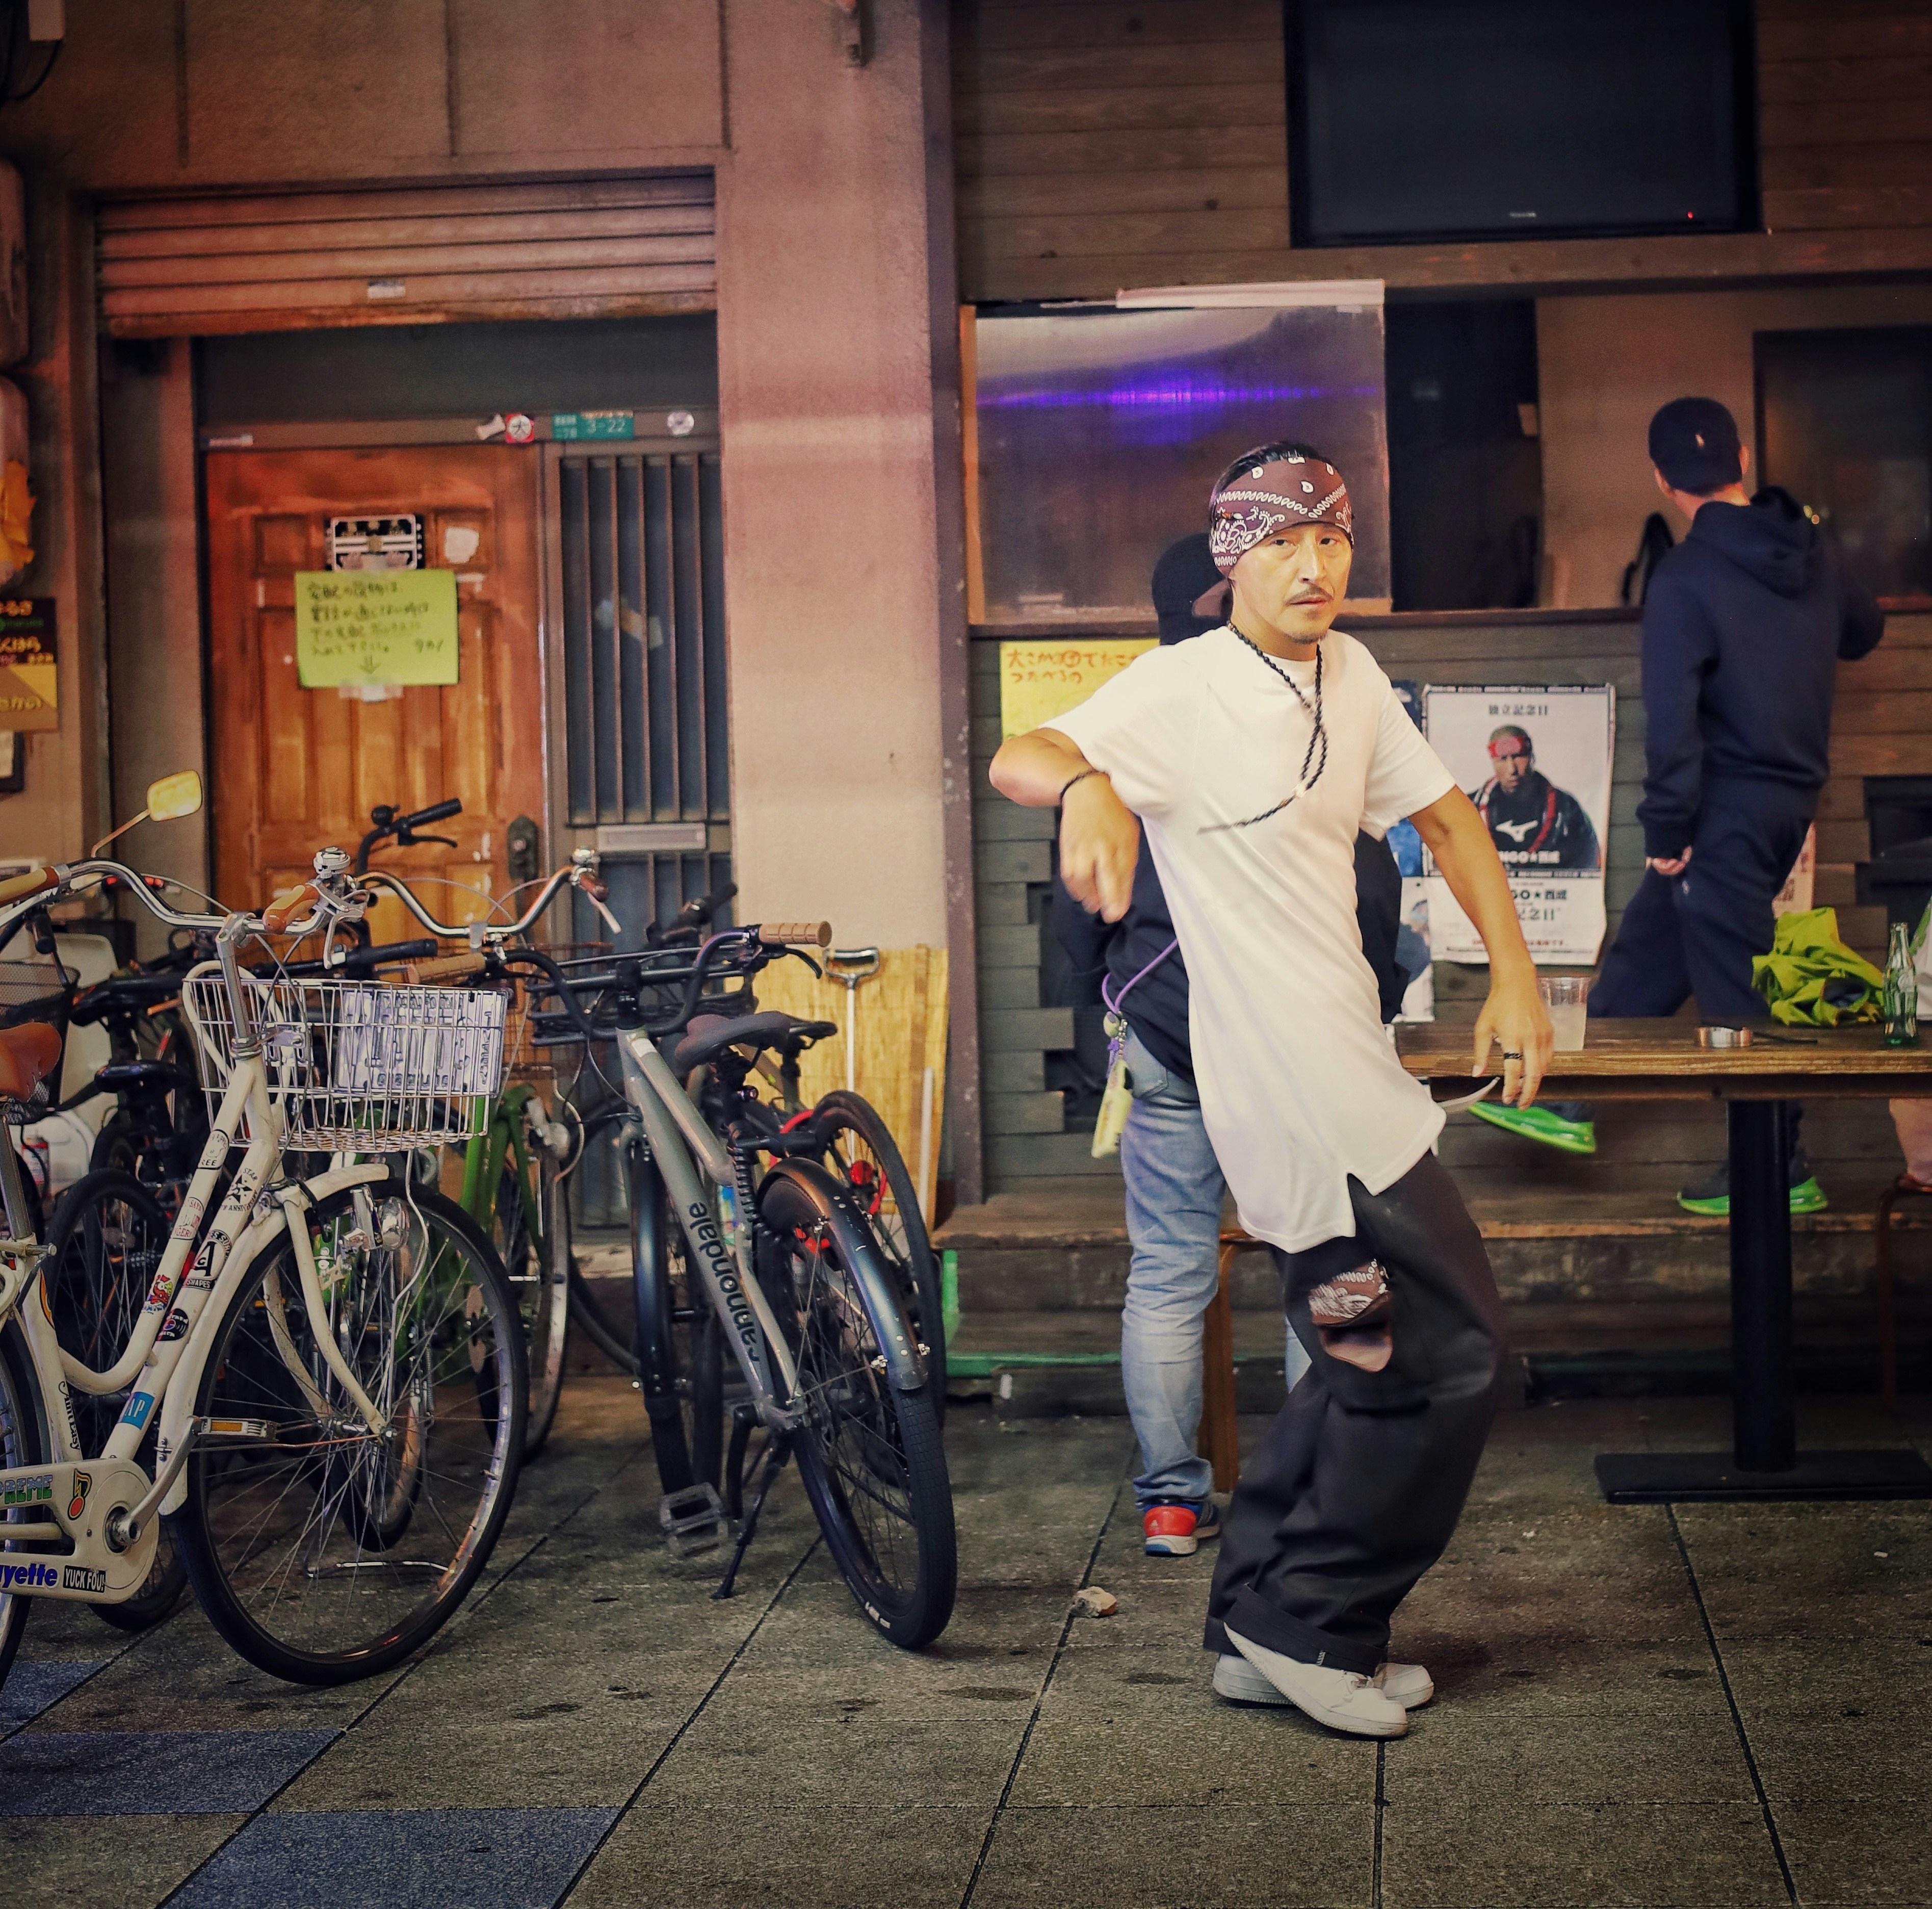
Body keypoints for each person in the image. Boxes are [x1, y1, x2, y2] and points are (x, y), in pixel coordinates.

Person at [991, 442, 1551, 1739]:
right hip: (1300, 1113)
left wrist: (1513, 977)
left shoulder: (1347, 671)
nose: (1312, 565)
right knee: (1448, 1353)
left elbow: (1450, 819)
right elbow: (1028, 750)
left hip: (1351, 1082)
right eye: (1281, 541)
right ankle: (1309, 1620)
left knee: (1359, 1356)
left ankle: (1266, 1620)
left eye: (1331, 538)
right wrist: (1086, 786)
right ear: (1230, 558)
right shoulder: (1179, 686)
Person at [1053, 533, 1412, 1560]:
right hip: (1294, 1044)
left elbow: (1075, 916)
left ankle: (1171, 1503)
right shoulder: (1294, 709)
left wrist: (1112, 1010)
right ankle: (1318, 1492)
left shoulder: (1120, 727)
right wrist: (1377, 1001)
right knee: (1330, 1257)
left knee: (1169, 1271)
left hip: (1162, 1037)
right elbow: (1372, 890)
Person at [1475, 397, 1886, 1213]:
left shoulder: (1685, 576)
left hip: (1721, 810)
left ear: (1661, 480)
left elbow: (1672, 720)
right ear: (1742, 459)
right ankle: (1568, 1096)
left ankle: (1780, 1166)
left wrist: (1666, 827)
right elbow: (1863, 631)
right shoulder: (1813, 548)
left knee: (1734, 988)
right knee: (1653, 946)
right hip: (1787, 804)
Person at [1470, 724, 1600, 872]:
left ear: (1532, 757)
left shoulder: (1566, 807)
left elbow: (1589, 864)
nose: (1512, 769)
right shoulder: (1471, 807)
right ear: (1493, 761)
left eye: (1518, 756)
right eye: (1503, 759)